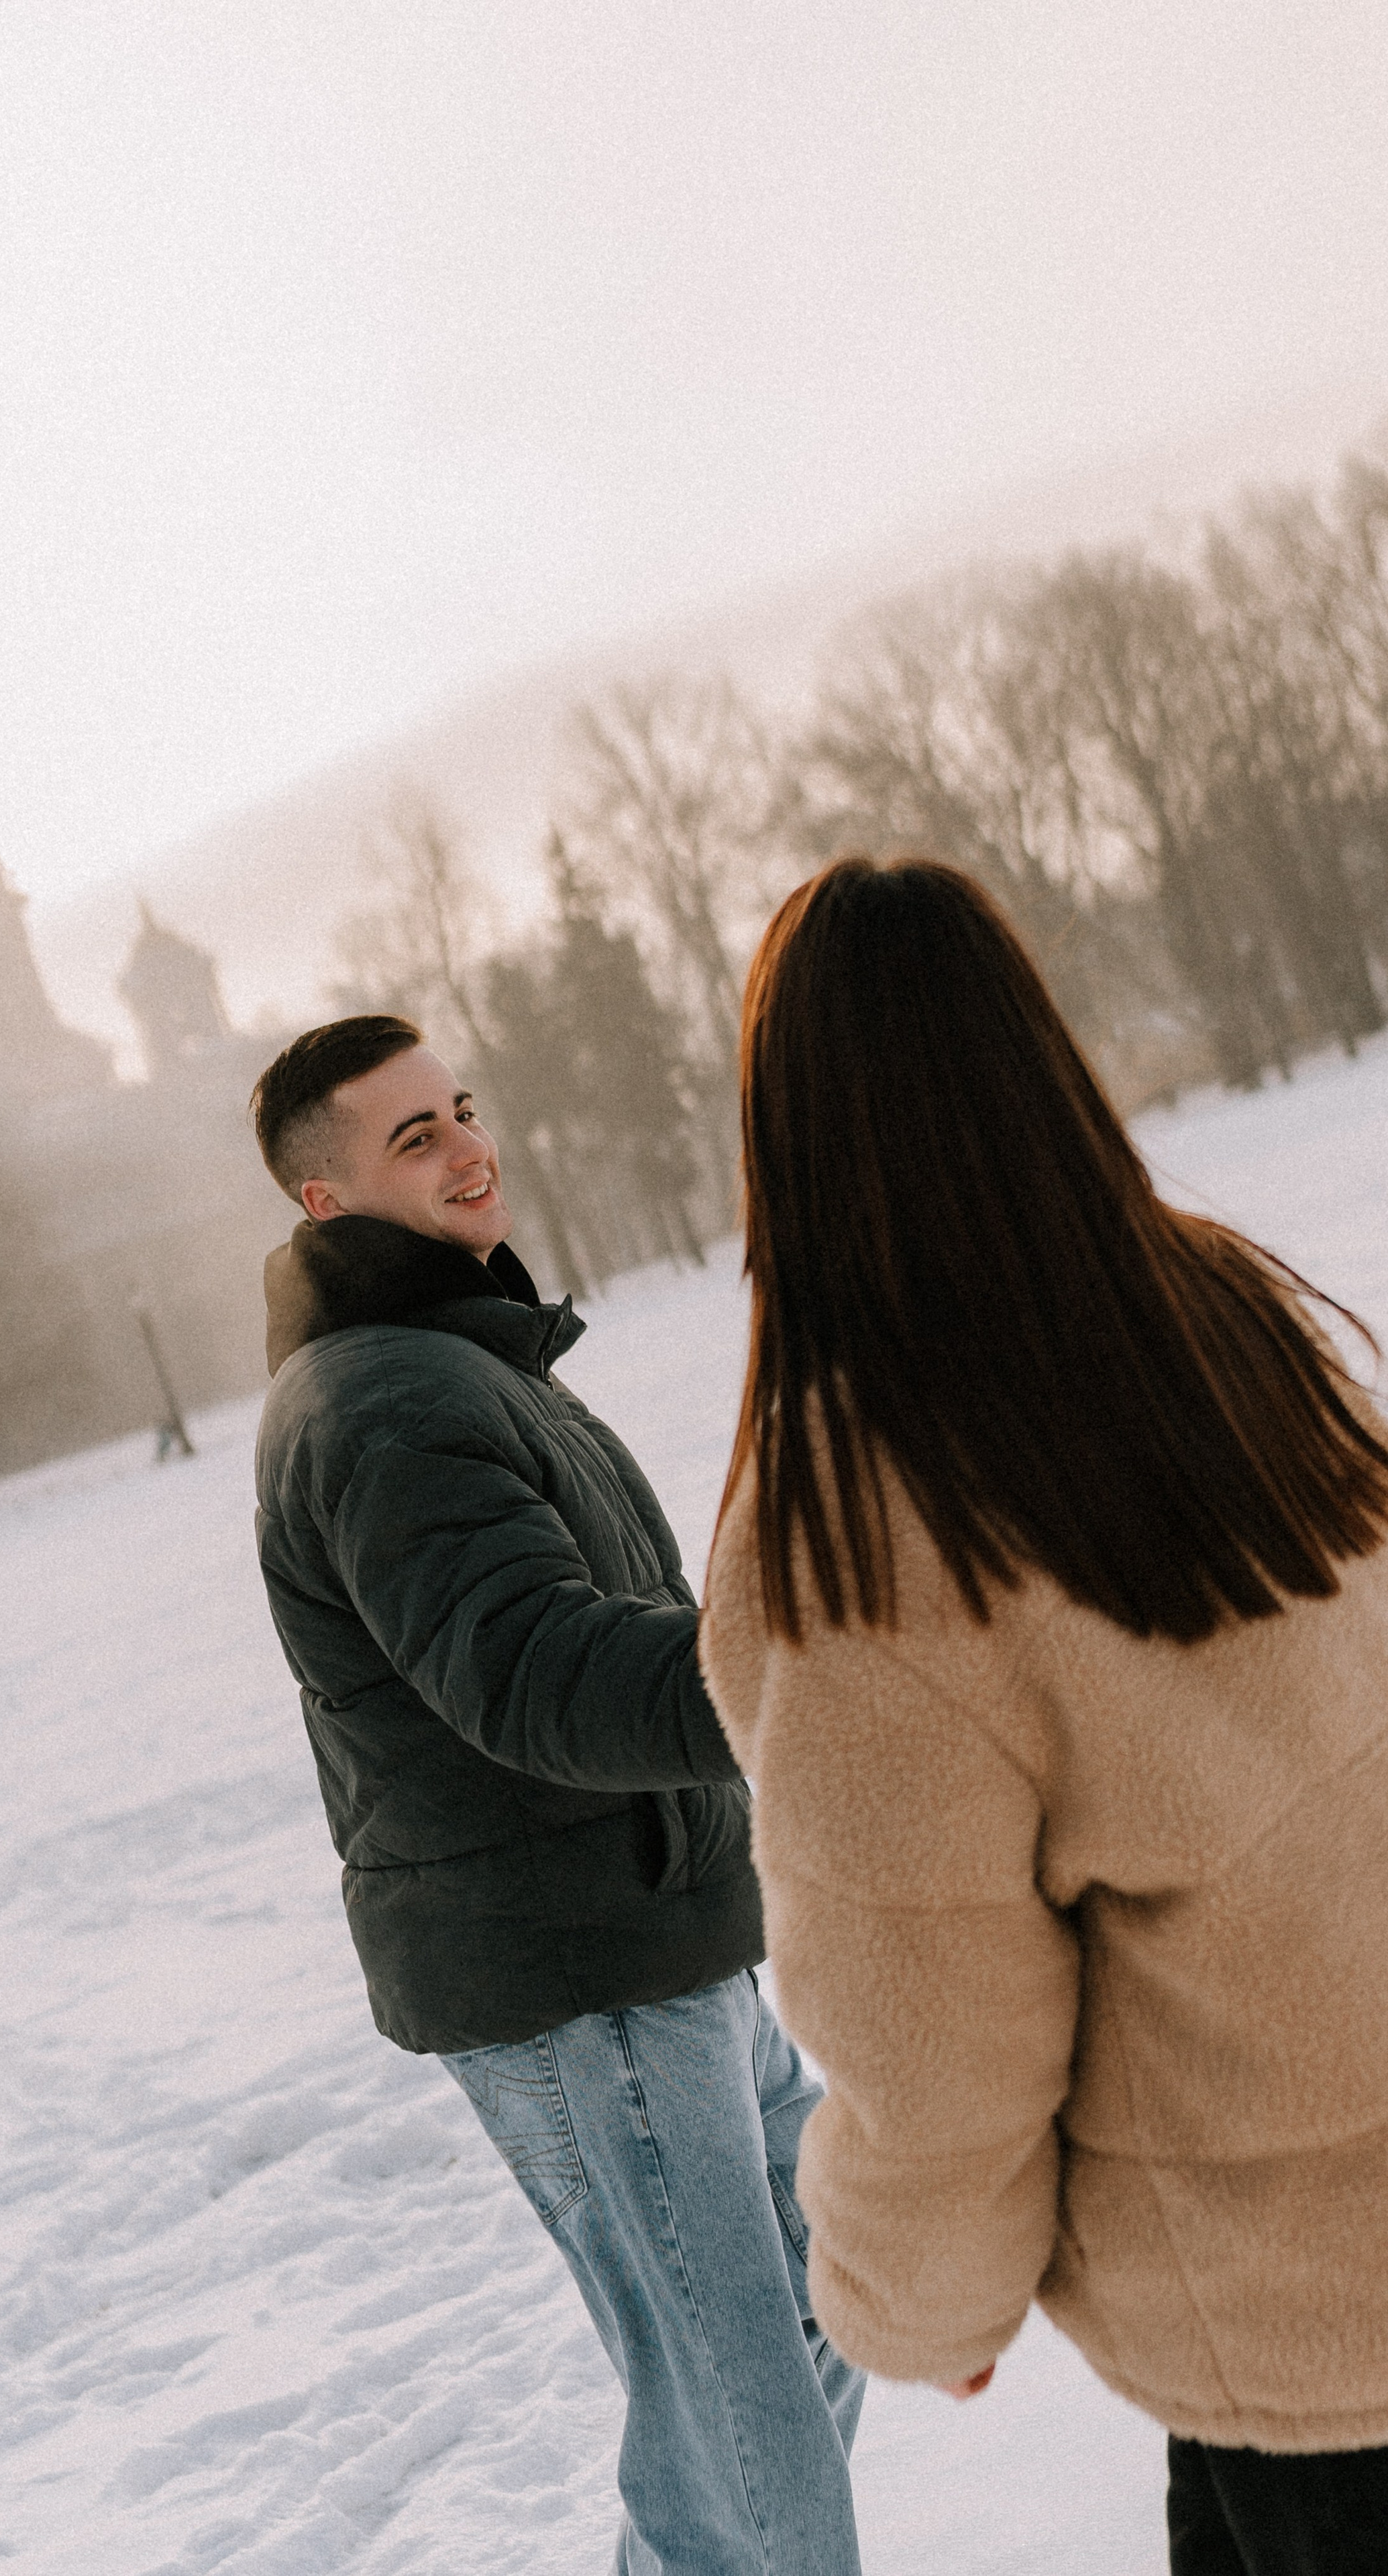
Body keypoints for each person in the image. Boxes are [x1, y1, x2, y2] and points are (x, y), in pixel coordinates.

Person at [700, 855, 1388, 2576]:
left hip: (1301, 2327)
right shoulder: (1210, 1307)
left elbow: (932, 2032)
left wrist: (917, 2300)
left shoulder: (860, 1530)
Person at [250, 1013, 865, 2576]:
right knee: (748, 2427)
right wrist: (801, 1672)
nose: (468, 1148)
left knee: (819, 2303)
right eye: (413, 1138)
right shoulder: (388, 1406)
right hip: (579, 1979)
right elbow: (531, 1671)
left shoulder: (450, 1364)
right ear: (326, 1203)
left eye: (458, 1110)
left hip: (658, 1942)